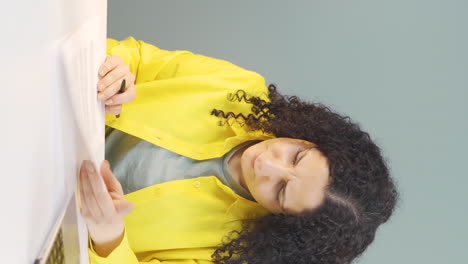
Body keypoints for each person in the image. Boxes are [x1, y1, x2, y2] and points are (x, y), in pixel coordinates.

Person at [79, 37, 398, 264]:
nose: (268, 166)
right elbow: (136, 59)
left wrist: (109, 235)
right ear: (310, 137)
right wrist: (116, 78)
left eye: (281, 190)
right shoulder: (239, 88)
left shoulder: (232, 253)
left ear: (283, 221)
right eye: (296, 155)